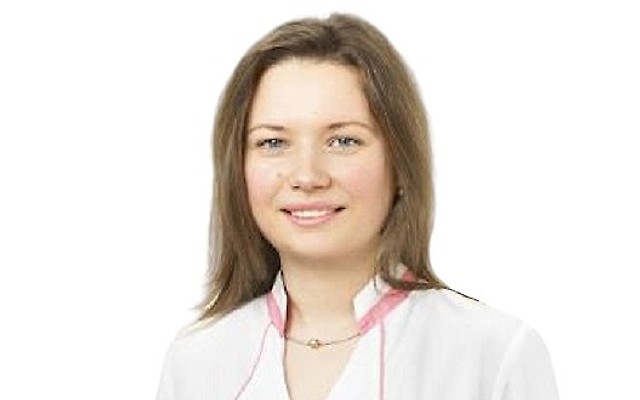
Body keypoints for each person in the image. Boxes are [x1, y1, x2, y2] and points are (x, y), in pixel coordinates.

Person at [156, 13, 559, 400]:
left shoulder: (492, 355)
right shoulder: (196, 362)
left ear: (400, 164)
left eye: (343, 141)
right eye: (273, 142)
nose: (307, 176)